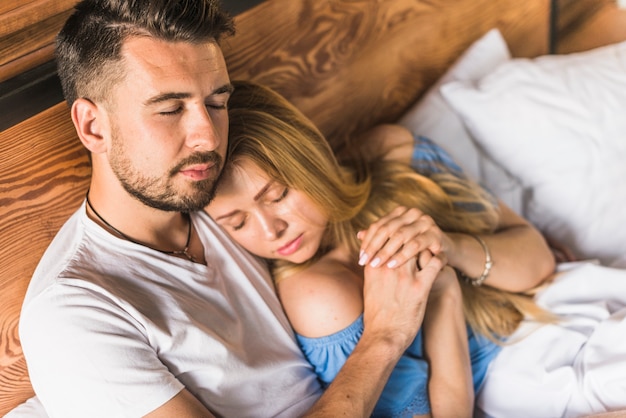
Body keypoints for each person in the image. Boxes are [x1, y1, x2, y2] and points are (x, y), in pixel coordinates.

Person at [15, 1, 448, 417]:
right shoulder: (75, 312)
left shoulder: (215, 197)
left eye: (217, 103)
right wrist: (385, 337)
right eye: (169, 109)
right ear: (93, 126)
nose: (208, 136)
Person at [205, 80, 557, 417]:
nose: (272, 231)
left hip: (552, 317)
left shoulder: (392, 155)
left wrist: (450, 246)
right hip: (518, 384)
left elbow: (539, 260)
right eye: (237, 223)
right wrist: (443, 292)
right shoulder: (318, 297)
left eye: (277, 195)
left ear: (310, 157)